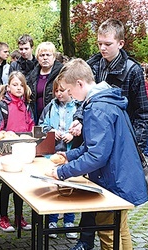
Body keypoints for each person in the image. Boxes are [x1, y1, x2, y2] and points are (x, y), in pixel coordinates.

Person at [70, 18, 148, 250]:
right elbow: (84, 99)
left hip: (118, 151)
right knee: (91, 198)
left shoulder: (132, 70)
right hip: (94, 143)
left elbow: (143, 114)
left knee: (112, 218)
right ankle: (84, 241)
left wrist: (133, 152)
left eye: (107, 44)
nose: (102, 48)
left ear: (121, 43)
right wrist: (78, 119)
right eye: (99, 43)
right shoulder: (93, 64)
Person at [51, 58, 148, 249]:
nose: (70, 95)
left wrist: (62, 172)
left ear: (80, 83)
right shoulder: (105, 100)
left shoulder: (97, 108)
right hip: (122, 176)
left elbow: (96, 156)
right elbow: (94, 146)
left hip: (113, 181)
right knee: (121, 230)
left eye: (70, 90)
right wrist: (69, 156)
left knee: (108, 232)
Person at [38, 77, 82, 239]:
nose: (58, 94)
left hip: (71, 154)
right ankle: (52, 219)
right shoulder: (50, 106)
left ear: (70, 90)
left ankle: (69, 220)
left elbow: (83, 128)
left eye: (61, 90)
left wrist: (73, 135)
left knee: (70, 187)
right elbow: (41, 124)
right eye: (56, 91)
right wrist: (51, 131)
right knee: (53, 187)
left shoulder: (78, 107)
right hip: (53, 154)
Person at [0, 71, 34, 232]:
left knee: (21, 186)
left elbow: (31, 124)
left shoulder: (27, 105)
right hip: (7, 151)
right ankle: (3, 217)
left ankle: (19, 217)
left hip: (22, 149)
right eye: (15, 85)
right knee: (6, 186)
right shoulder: (3, 105)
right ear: (8, 87)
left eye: (21, 85)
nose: (18, 88)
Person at [27, 41, 63, 124]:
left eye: (48, 55)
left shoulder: (61, 73)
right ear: (37, 58)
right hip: (36, 117)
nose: (45, 58)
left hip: (56, 117)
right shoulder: (33, 75)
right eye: (42, 55)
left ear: (54, 57)